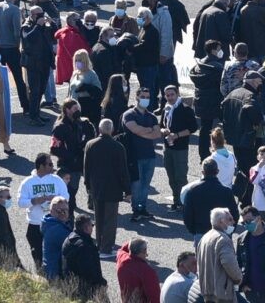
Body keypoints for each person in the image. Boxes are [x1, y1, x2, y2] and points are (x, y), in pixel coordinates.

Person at [82, 118, 130, 258]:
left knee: (99, 216)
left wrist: (87, 185)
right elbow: (123, 171)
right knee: (110, 219)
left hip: (96, 187)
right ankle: (106, 248)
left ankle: (99, 244)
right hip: (113, 188)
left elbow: (86, 167)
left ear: (99, 129)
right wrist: (127, 190)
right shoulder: (118, 147)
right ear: (112, 130)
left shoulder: (90, 144)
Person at [122, 88, 166, 221]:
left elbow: (157, 134)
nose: (145, 99)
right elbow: (135, 129)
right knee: (136, 183)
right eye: (143, 96)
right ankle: (136, 209)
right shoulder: (129, 114)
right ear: (136, 97)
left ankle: (143, 208)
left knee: (145, 184)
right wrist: (148, 131)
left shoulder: (151, 116)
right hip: (134, 156)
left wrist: (143, 132)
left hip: (149, 156)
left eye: (147, 97)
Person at [18, 153, 68, 269]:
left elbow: (66, 196)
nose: (52, 166)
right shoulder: (28, 182)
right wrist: (34, 201)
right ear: (41, 166)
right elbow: (21, 202)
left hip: (55, 223)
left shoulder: (57, 180)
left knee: (58, 254)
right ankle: (42, 277)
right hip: (36, 224)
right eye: (50, 164)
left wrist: (56, 201)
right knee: (38, 255)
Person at [50, 98, 95, 215]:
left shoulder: (84, 123)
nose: (78, 110)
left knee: (92, 183)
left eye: (79, 108)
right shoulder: (60, 127)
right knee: (71, 189)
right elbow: (54, 148)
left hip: (85, 160)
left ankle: (92, 201)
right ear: (67, 110)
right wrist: (72, 156)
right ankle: (70, 209)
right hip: (70, 163)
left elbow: (91, 138)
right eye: (75, 109)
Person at [183, 158, 240, 246]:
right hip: (222, 232)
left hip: (201, 232)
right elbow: (235, 214)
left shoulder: (192, 191)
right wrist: (229, 230)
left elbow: (187, 215)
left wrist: (194, 230)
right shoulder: (226, 191)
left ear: (203, 172)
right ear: (217, 171)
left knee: (203, 259)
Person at [161, 85, 198, 210]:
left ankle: (185, 203)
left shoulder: (185, 109)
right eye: (167, 95)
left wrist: (176, 135)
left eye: (172, 94)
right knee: (171, 177)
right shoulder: (166, 109)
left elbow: (193, 128)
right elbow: (161, 125)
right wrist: (164, 130)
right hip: (168, 147)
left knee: (181, 177)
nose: (170, 97)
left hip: (181, 148)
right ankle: (176, 201)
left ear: (177, 94)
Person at [196, 207, 243, 302]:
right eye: (230, 219)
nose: (233, 222)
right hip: (222, 293)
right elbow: (229, 264)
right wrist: (238, 278)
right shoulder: (223, 239)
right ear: (221, 221)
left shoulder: (204, 238)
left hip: (207, 291)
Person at [61, 213, 106, 299]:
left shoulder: (69, 239)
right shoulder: (84, 246)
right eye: (91, 225)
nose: (92, 228)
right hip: (86, 289)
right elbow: (89, 271)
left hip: (71, 285)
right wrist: (101, 283)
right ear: (86, 228)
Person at [117, 237, 161, 303]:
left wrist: (134, 242)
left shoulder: (121, 258)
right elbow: (155, 296)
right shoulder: (147, 271)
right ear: (144, 251)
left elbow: (121, 249)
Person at [40, 196, 72, 280]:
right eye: (59, 211)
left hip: (53, 270)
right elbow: (74, 243)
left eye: (65, 210)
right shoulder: (56, 229)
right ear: (51, 211)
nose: (63, 213)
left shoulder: (51, 223)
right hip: (56, 273)